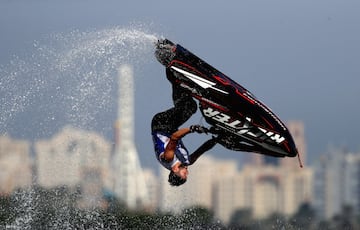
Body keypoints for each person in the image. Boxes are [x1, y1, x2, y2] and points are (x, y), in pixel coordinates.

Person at [151, 61, 217, 186]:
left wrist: (192, 129)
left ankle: (171, 69)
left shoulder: (168, 158)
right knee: (186, 105)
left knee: (188, 107)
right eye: (186, 176)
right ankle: (175, 76)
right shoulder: (187, 161)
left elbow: (175, 137)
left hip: (160, 124)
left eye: (184, 175)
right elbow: (202, 150)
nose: (187, 173)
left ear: (175, 170)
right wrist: (217, 139)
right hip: (171, 127)